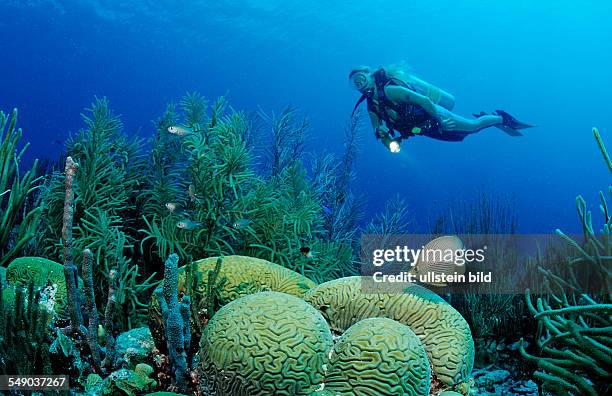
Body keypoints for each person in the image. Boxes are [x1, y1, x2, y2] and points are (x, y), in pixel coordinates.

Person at [349, 65, 533, 152]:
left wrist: (438, 118)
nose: (360, 84)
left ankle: (501, 118)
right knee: (460, 136)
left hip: (434, 116)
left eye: (361, 78)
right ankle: (489, 119)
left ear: (370, 76)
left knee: (472, 126)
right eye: (355, 83)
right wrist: (386, 139)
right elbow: (378, 131)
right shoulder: (371, 106)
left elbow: (423, 100)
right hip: (422, 128)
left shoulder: (391, 90)